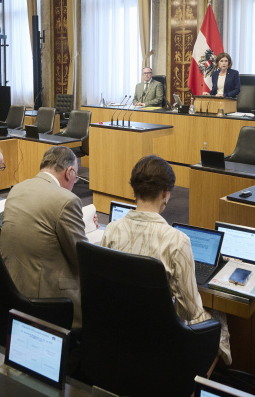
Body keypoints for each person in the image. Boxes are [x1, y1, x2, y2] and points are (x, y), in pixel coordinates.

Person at [99, 155, 232, 365]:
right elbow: (189, 311)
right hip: (161, 341)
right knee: (219, 317)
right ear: (165, 194)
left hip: (119, 330)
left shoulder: (112, 229)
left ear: (135, 189)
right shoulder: (176, 241)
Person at [0, 146, 92, 327]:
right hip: (48, 299)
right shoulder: (66, 200)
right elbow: (81, 259)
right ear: (69, 172)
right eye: (76, 176)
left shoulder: (17, 189)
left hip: (14, 287)